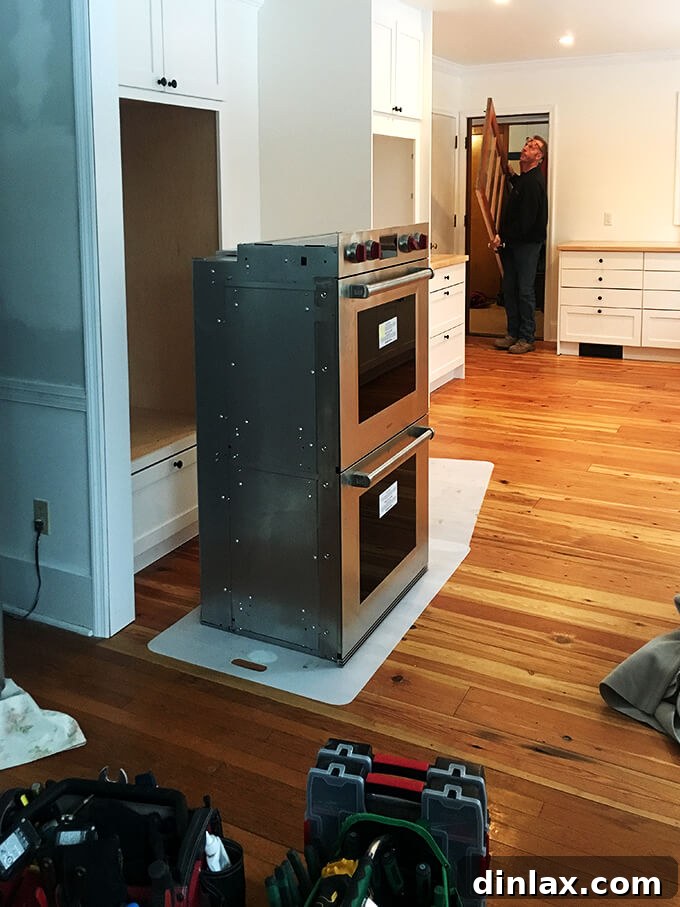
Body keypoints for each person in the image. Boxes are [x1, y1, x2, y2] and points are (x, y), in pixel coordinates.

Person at [490, 135, 548, 354]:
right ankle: (513, 334)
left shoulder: (534, 182)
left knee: (524, 291)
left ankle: (526, 338)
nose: (526, 148)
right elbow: (519, 192)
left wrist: (502, 237)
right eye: (527, 144)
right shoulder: (525, 178)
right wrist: (511, 176)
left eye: (533, 147)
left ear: (539, 157)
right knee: (510, 289)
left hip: (526, 245)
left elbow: (526, 222)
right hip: (514, 244)